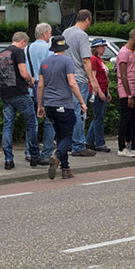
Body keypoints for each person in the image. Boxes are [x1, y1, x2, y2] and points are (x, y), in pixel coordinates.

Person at [37, 35, 87, 180]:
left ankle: (65, 169)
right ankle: (57, 156)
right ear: (64, 48)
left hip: (50, 106)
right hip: (64, 104)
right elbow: (72, 83)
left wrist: (40, 105)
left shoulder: (44, 63)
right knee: (67, 137)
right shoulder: (67, 61)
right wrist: (82, 101)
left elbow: (40, 85)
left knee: (60, 137)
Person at [62, 9, 100, 158]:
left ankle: (71, 143)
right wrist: (93, 81)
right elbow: (86, 60)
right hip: (79, 79)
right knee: (80, 112)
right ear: (87, 20)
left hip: (66, 77)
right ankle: (78, 145)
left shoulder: (66, 32)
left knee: (70, 111)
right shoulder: (82, 36)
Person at [0, 31, 38, 170]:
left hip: (5, 92)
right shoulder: (18, 52)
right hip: (20, 92)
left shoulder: (1, 53)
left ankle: (8, 159)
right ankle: (34, 156)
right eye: (25, 44)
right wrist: (30, 80)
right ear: (23, 42)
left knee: (8, 125)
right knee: (31, 123)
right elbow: (23, 71)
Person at [23, 23, 54, 167]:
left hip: (30, 90)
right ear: (45, 33)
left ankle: (30, 151)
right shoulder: (49, 48)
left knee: (32, 123)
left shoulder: (27, 48)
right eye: (50, 33)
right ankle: (46, 153)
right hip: (45, 90)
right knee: (49, 122)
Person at [116, 28, 135, 157]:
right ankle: (121, 148)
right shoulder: (124, 53)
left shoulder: (131, 52)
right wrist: (129, 95)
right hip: (127, 92)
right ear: (134, 38)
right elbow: (123, 75)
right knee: (125, 119)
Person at [85, 38, 112, 152]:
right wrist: (100, 92)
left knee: (98, 117)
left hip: (103, 89)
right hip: (97, 91)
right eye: (102, 46)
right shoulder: (94, 60)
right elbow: (93, 77)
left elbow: (104, 77)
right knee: (99, 118)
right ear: (96, 48)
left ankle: (89, 141)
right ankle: (100, 143)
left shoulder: (100, 60)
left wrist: (108, 91)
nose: (104, 48)